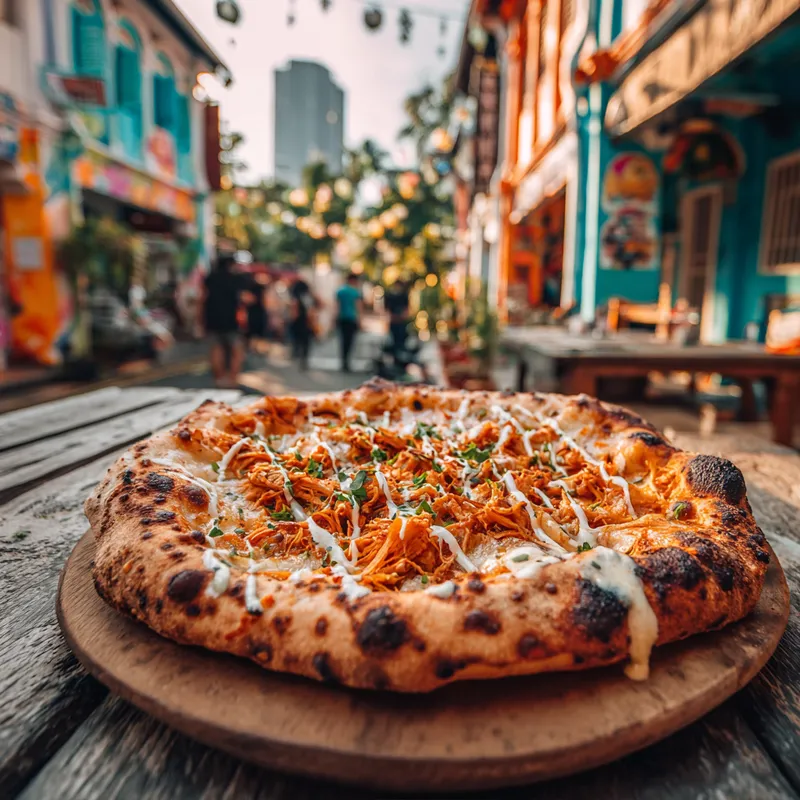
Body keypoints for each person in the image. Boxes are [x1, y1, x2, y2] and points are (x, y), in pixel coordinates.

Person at [203, 254, 244, 387]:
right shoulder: (235, 278)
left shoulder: (209, 278)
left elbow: (201, 298)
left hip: (212, 318)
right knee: (236, 349)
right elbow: (243, 298)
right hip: (231, 319)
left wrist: (198, 320)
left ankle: (219, 378)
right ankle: (232, 378)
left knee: (216, 349)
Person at [288, 278, 318, 370]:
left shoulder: (296, 297)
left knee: (298, 340)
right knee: (306, 342)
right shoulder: (308, 297)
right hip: (307, 322)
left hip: (299, 321)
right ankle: (303, 359)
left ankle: (297, 354)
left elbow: (294, 311)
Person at [335, 272, 362, 372]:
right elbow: (358, 307)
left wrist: (335, 318)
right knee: (350, 341)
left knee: (343, 341)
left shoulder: (340, 291)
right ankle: (347, 362)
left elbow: (336, 307)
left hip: (342, 318)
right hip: (352, 319)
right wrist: (360, 321)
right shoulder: (355, 292)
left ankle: (343, 361)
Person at [384, 279, 411, 357]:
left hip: (401, 320)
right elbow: (387, 308)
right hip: (393, 319)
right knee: (394, 337)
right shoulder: (389, 296)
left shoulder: (404, 295)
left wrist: (404, 315)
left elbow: (406, 308)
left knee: (402, 336)